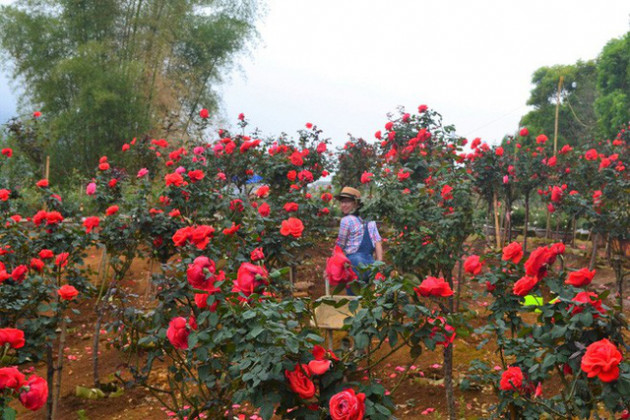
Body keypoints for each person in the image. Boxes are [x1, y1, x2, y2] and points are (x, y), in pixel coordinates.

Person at [334, 187, 382, 291]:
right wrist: (379, 264)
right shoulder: (370, 221)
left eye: (347, 202)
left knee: (354, 299)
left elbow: (340, 245)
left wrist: (333, 264)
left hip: (355, 264)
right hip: (371, 264)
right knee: (366, 297)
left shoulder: (346, 220)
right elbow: (378, 242)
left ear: (356, 204)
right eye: (342, 202)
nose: (343, 205)